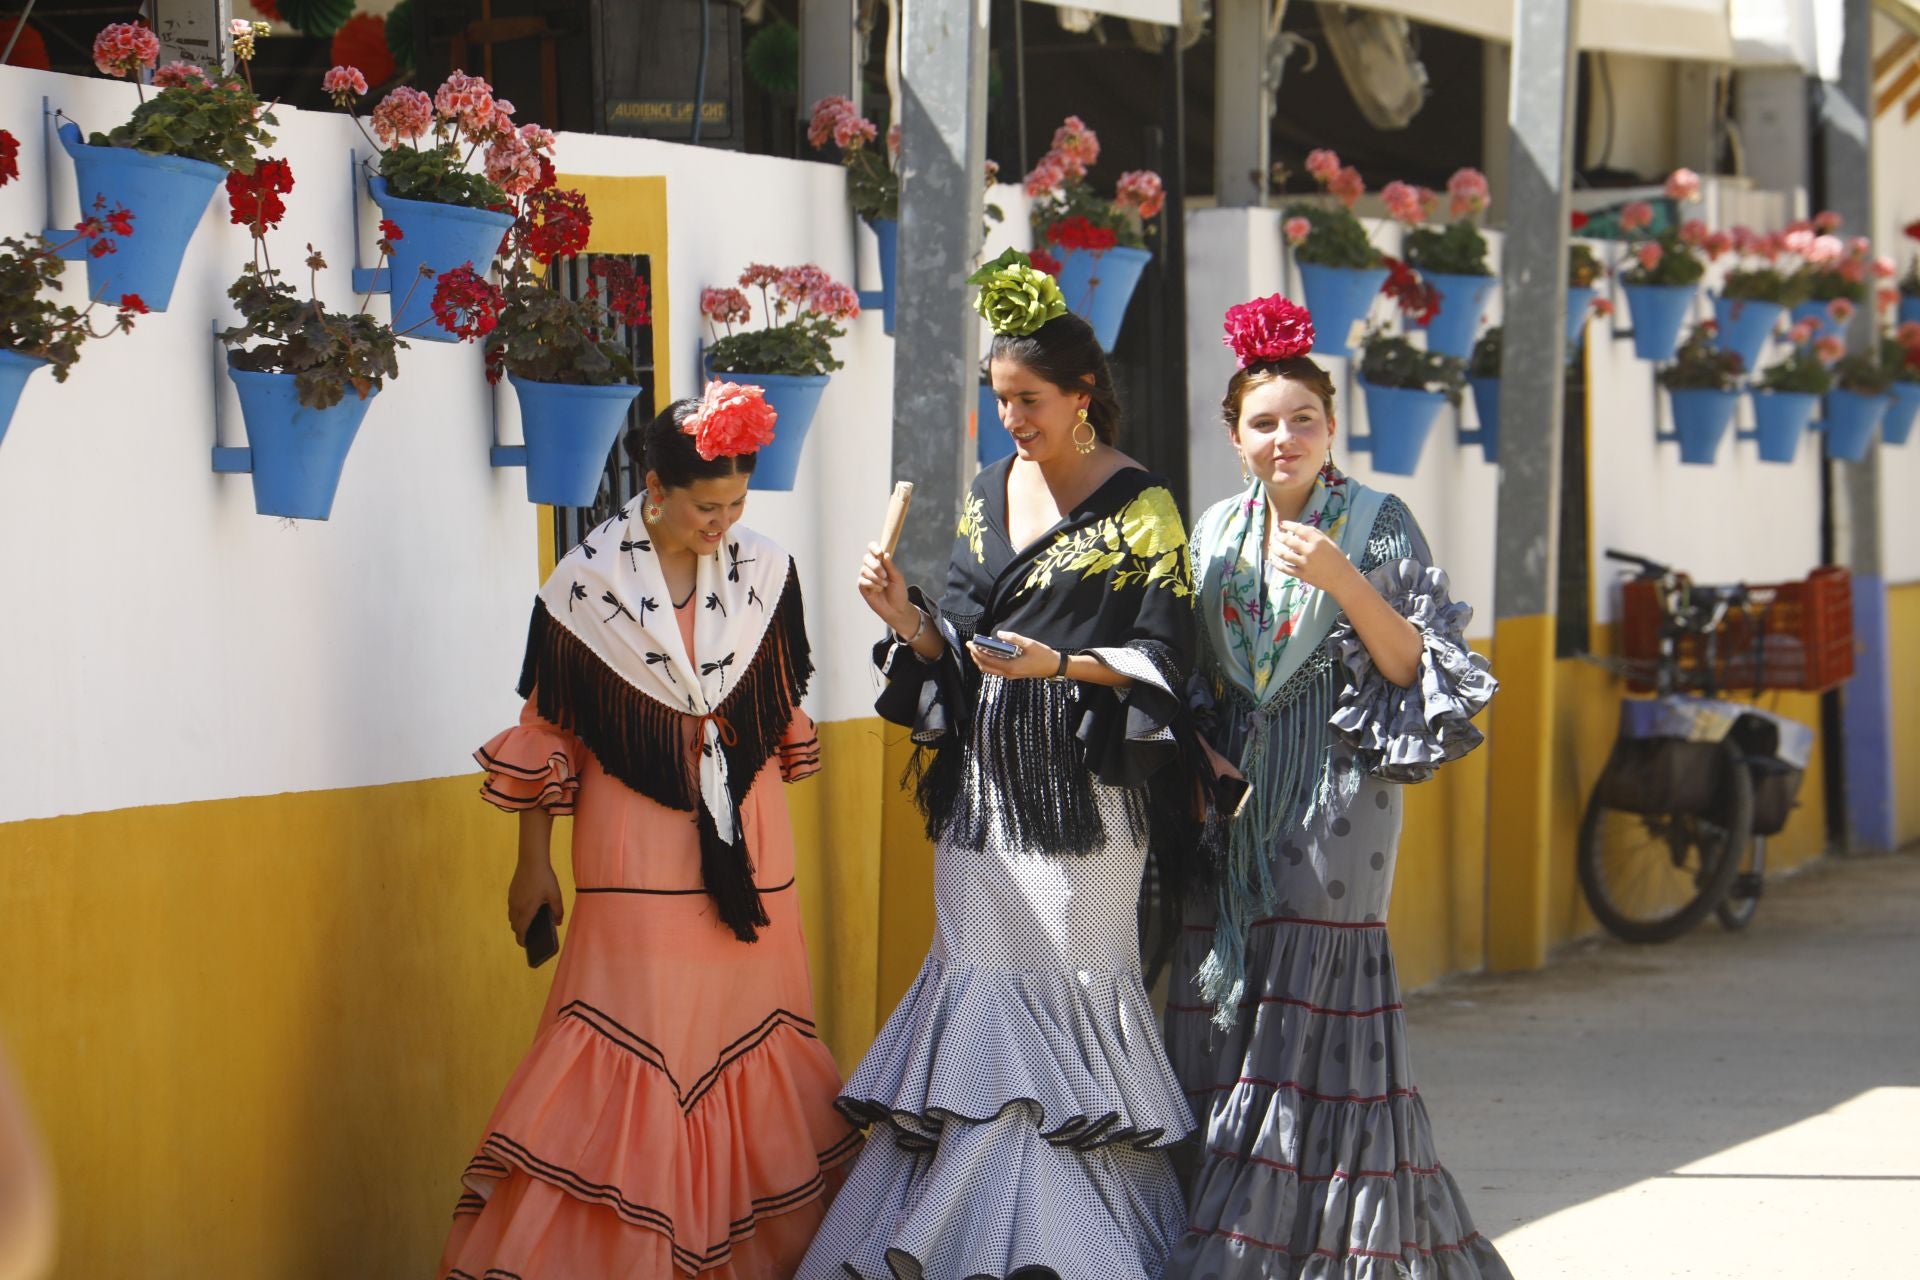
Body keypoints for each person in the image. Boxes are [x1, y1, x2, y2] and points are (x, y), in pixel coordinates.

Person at [798, 251, 1201, 1280]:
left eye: (1028, 400)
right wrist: (910, 622)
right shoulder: (986, 493)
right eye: (999, 399)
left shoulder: (1145, 508)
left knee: (1070, 980)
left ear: (1083, 398)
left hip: (1084, 800)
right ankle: (964, 1240)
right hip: (985, 798)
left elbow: (1167, 654)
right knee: (976, 987)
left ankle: (1079, 1250)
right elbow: (964, 636)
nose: (1012, 419)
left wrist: (1062, 662)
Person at [439, 385, 859, 1280]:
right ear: (655, 489)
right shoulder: (582, 588)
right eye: (709, 506)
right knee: (625, 1048)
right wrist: (532, 868)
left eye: (739, 503)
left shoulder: (766, 573)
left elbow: (772, 707)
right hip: (634, 856)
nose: (725, 523)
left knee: (761, 1046)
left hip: (751, 856)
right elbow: (547, 732)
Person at [1162, 294, 1507, 1279]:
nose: (1285, 437)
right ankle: (1228, 1233)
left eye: (1303, 418)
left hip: (1339, 802)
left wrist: (1345, 579)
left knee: (1314, 1002)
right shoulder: (1215, 530)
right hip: (1229, 804)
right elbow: (1188, 674)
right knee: (1223, 998)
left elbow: (1423, 667)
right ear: (1234, 438)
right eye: (1263, 422)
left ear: (1332, 427)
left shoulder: (1377, 521)